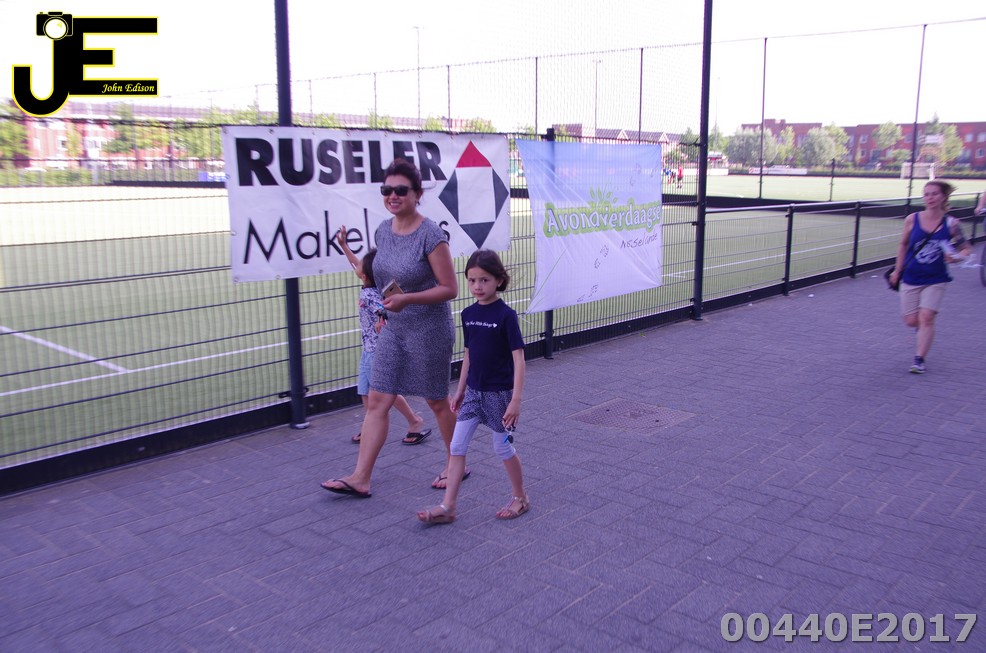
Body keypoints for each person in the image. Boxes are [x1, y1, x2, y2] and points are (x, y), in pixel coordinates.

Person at [322, 158, 459, 498]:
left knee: (436, 401)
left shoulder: (430, 235)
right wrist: (387, 307)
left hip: (429, 329)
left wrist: (407, 299)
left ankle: (456, 463)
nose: (393, 196)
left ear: (417, 194)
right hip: (394, 328)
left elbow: (450, 289)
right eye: (387, 190)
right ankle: (360, 477)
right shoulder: (383, 230)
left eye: (401, 190)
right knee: (378, 399)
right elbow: (383, 277)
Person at [417, 249, 529, 524]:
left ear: (499, 280)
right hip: (473, 395)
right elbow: (469, 354)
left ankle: (520, 497)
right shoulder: (468, 314)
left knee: (502, 449)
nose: (477, 286)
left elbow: (519, 359)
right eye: (472, 280)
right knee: (456, 446)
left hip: (499, 395)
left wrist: (516, 400)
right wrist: (460, 389)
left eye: (484, 280)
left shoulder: (506, 316)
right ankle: (448, 507)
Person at [334, 227, 431, 446]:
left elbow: (385, 309)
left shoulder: (370, 294)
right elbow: (358, 265)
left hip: (376, 351)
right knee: (366, 392)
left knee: (384, 393)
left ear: (365, 275)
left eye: (360, 267)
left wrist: (382, 318)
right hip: (369, 350)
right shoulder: (377, 286)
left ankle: (414, 421)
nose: (356, 266)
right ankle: (370, 426)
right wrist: (344, 246)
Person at [887, 180, 971, 374]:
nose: (930, 198)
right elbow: (903, 245)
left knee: (927, 317)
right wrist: (897, 270)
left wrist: (956, 257)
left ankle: (919, 359)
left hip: (936, 278)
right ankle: (924, 330)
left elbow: (965, 248)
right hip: (911, 276)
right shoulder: (912, 219)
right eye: (926, 194)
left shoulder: (951, 224)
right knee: (911, 320)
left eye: (934, 194)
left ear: (943, 197)